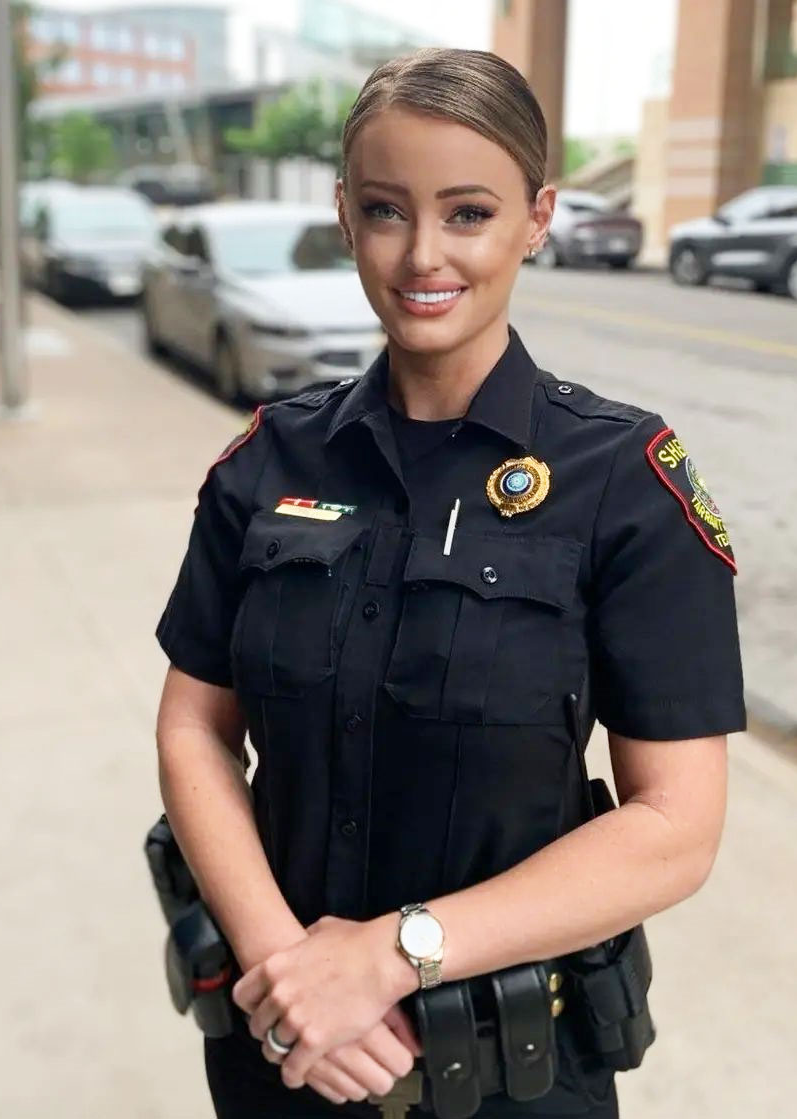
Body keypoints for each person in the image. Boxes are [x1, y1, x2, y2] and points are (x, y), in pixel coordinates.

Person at [154, 47, 745, 1119]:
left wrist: (386, 957)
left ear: (537, 218)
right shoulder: (268, 461)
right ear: (345, 217)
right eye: (386, 210)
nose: (423, 254)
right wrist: (290, 972)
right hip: (280, 1060)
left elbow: (675, 824)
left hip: (511, 1082)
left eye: (468, 212)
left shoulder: (622, 480)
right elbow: (195, 726)